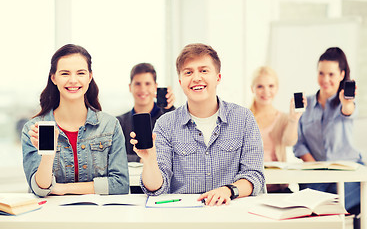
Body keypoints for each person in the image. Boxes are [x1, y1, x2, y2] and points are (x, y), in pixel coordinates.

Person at [130, 43, 265, 206]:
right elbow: (156, 188)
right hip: (183, 215)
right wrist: (150, 160)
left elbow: (254, 175)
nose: (196, 78)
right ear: (180, 81)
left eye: (204, 70)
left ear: (218, 78)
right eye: (188, 72)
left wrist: (227, 190)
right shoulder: (165, 124)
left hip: (231, 212)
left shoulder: (243, 118)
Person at [22, 44, 129, 197]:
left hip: (99, 215)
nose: (73, 80)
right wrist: (47, 155)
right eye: (65, 73)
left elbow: (120, 185)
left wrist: (64, 188)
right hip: (51, 216)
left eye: (80, 73)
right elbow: (40, 188)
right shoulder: (33, 129)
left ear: (89, 77)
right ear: (53, 78)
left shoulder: (110, 126)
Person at [293, 47, 363, 216]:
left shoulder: (346, 102)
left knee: (334, 205)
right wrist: (316, 169)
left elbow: (349, 110)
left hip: (348, 173)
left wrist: (346, 102)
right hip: (316, 173)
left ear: (341, 75)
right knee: (309, 206)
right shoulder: (306, 103)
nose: (325, 79)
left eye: (331, 74)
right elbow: (299, 143)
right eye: (321, 73)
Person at [250, 66, 306, 193]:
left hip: (276, 186)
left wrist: (293, 119)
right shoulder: (244, 117)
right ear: (252, 88)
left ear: (277, 88)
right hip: (251, 186)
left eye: (271, 86)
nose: (266, 91)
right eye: (260, 86)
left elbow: (289, 141)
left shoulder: (284, 118)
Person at [116, 63, 175, 163]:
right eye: (138, 84)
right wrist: (140, 159)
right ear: (130, 87)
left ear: (155, 87)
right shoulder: (119, 122)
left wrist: (170, 109)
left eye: (147, 84)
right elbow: (113, 156)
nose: (143, 89)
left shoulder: (169, 116)